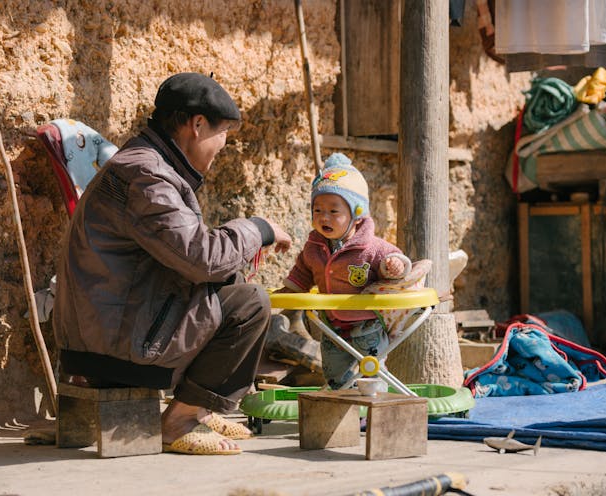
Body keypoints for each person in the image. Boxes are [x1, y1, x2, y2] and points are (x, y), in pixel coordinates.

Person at [52, 72, 292, 455]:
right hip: (112, 348)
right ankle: (181, 418)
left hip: (105, 336)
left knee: (230, 290)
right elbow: (201, 259)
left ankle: (195, 407)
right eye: (224, 132)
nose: (223, 144)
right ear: (197, 125)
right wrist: (258, 229)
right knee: (249, 303)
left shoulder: (148, 165)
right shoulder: (146, 175)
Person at [280, 152, 411, 389]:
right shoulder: (314, 248)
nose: (323, 217)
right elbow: (302, 272)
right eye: (317, 210)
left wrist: (395, 266)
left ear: (357, 215)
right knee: (333, 372)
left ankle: (372, 406)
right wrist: (286, 291)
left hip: (367, 326)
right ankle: (343, 405)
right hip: (331, 326)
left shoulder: (370, 247)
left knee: (371, 371)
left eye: (333, 211)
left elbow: (392, 261)